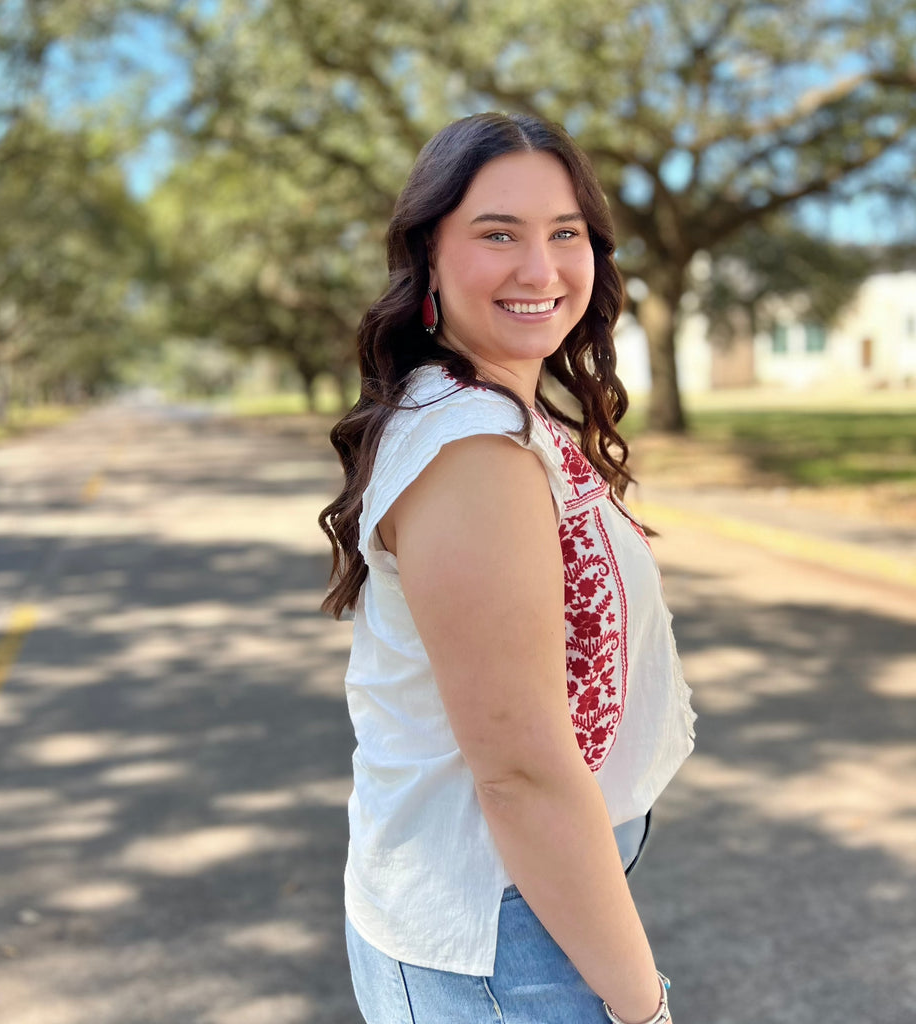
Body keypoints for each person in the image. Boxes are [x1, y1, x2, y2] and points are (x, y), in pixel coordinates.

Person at [319, 111, 696, 1024]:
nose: (542, 269)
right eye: (499, 234)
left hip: (521, 898)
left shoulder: (487, 408)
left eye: (566, 233)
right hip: (500, 934)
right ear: (429, 259)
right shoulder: (472, 452)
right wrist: (643, 1004)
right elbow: (520, 772)